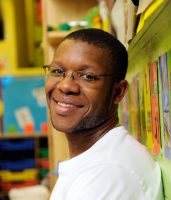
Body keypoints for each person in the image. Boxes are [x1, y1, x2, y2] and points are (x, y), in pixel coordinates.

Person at [44, 28, 163, 200]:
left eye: (87, 76)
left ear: (117, 92)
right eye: (57, 71)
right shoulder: (98, 159)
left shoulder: (105, 174)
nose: (65, 86)